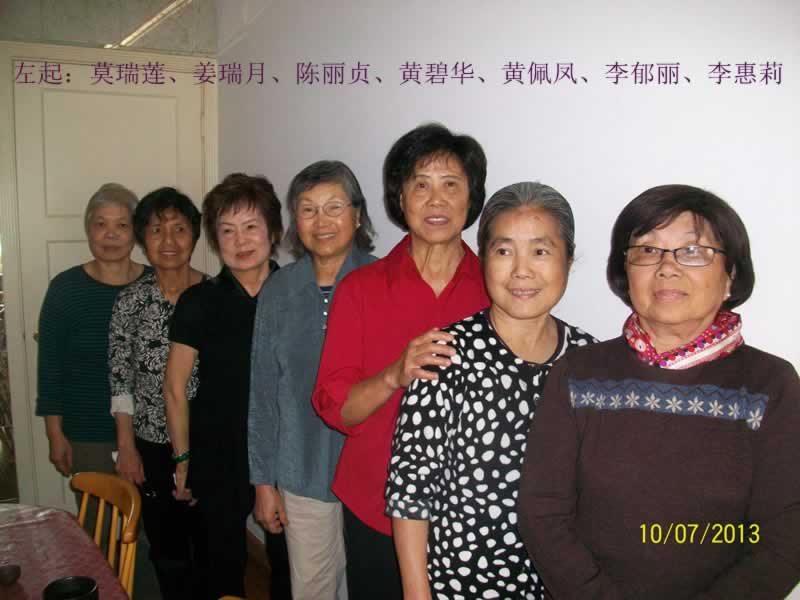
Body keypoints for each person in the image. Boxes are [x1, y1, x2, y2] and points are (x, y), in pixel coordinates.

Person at [518, 184, 800, 599]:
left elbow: (785, 533)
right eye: (648, 250)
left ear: (731, 276)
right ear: (625, 271)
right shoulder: (578, 374)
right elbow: (543, 510)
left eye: (693, 251)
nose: (667, 267)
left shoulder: (770, 384)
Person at [386, 182, 596, 600]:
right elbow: (411, 489)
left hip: (561, 583)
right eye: (503, 251)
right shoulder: (444, 354)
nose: (521, 271)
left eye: (540, 251)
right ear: (483, 259)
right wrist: (416, 592)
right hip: (463, 584)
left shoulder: (588, 361)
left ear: (568, 259)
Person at [312, 123, 490, 599]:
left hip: (468, 511)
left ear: (471, 197)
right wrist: (393, 374)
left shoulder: (496, 290)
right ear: (400, 197)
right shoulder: (360, 289)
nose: (436, 200)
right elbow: (336, 408)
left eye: (451, 185)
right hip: (376, 501)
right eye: (421, 185)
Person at [249, 160, 377, 599]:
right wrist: (263, 482)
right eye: (308, 209)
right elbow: (263, 393)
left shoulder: (383, 282)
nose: (321, 221)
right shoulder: (278, 290)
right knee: (314, 589)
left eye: (334, 207)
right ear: (295, 221)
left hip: (372, 474)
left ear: (357, 215)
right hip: (301, 470)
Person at [164, 173, 284, 600]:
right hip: (217, 450)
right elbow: (174, 387)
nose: (240, 240)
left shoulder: (297, 294)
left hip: (282, 451)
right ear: (215, 240)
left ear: (273, 231)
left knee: (288, 565)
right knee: (221, 565)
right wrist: (183, 458)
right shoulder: (199, 301)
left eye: (251, 226)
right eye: (227, 230)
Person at [108, 187, 205, 599]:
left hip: (207, 443)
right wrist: (126, 447)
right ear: (142, 240)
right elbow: (120, 380)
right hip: (150, 443)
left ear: (194, 236)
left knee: (209, 544)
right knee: (166, 547)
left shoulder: (214, 296)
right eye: (156, 230)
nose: (168, 241)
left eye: (179, 229)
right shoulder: (130, 302)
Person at [36, 182, 146, 486]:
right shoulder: (65, 288)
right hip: (86, 435)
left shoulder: (154, 285)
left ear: (135, 233)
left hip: (150, 434)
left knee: (153, 517)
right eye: (100, 224)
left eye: (122, 225)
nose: (111, 234)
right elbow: (50, 369)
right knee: (100, 516)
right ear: (88, 231)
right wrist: (54, 434)